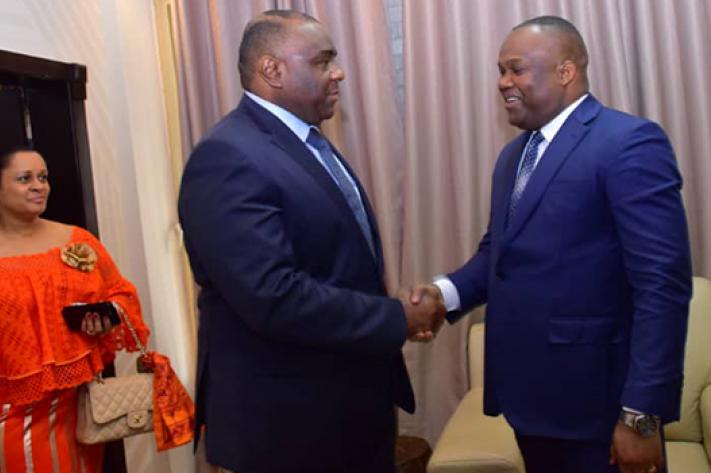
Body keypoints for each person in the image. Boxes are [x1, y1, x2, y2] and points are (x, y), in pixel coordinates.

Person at [411, 15, 692, 473]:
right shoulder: (513, 156)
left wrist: (640, 415)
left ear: (565, 71)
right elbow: (497, 254)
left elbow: (663, 284)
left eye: (516, 69)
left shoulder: (628, 142)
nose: (503, 83)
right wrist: (442, 295)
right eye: (501, 71)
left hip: (599, 409)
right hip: (531, 404)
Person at [178, 9, 444, 473]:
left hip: (346, 409)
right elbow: (272, 296)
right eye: (322, 61)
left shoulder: (306, 143)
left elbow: (335, 265)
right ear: (272, 70)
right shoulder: (227, 156)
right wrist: (395, 317)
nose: (338, 72)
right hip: (288, 427)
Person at [0, 147, 150, 472]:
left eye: (43, 177)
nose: (39, 186)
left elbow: (121, 293)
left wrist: (107, 316)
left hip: (77, 408)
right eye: (25, 179)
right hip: (11, 413)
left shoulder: (75, 240)